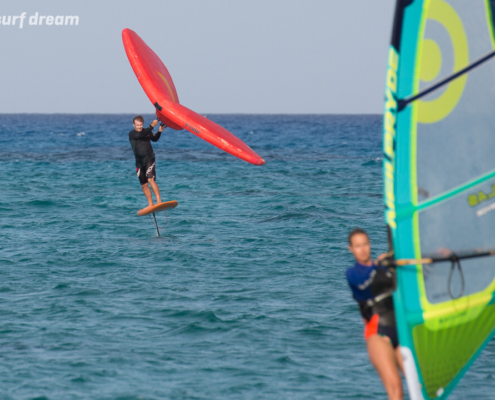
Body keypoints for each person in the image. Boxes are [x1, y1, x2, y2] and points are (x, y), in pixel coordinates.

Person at [346, 228, 404, 400]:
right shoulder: (353, 274)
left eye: (365, 244)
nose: (362, 249)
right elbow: (369, 282)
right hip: (379, 334)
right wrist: (385, 264)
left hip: (401, 332)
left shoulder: (384, 267)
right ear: (351, 249)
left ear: (370, 245)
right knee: (396, 390)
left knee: (422, 385)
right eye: (357, 246)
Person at [129, 115, 166, 210]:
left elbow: (154, 139)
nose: (139, 127)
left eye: (141, 125)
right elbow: (139, 135)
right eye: (137, 125)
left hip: (150, 158)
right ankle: (150, 204)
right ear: (134, 125)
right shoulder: (132, 134)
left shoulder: (146, 131)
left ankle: (159, 201)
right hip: (139, 162)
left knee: (150, 180)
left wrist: (159, 131)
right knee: (144, 185)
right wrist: (151, 126)